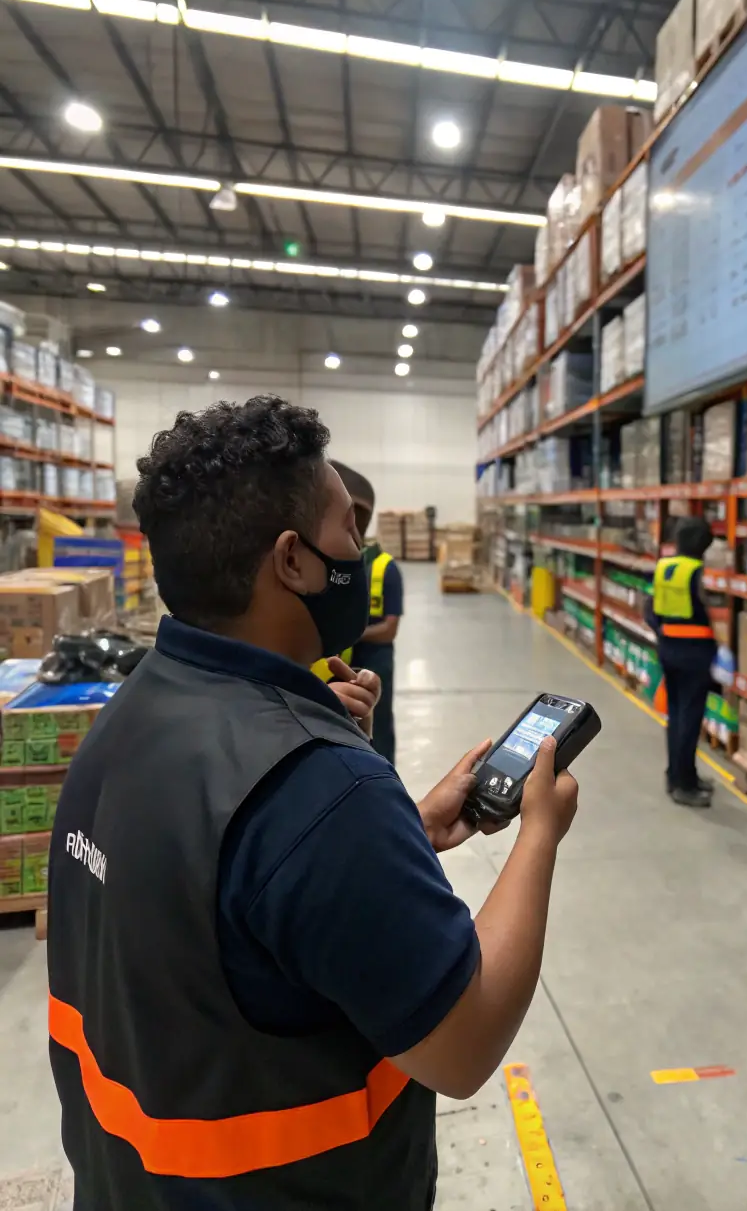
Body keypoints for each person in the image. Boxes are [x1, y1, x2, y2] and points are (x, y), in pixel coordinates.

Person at [47, 395, 578, 1211]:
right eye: (349, 531)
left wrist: (402, 832)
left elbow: (229, 906)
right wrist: (537, 832)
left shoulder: (130, 712)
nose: (361, 552)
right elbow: (465, 1043)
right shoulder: (320, 788)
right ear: (293, 560)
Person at [313, 461, 403, 765]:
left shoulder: (382, 568)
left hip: (372, 661)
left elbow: (390, 628)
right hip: (334, 662)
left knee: (376, 725)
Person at [645, 516, 717, 808]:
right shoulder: (699, 572)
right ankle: (683, 785)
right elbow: (712, 611)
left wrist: (663, 633)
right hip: (694, 653)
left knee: (676, 716)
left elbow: (648, 608)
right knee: (689, 718)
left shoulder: (664, 566)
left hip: (668, 649)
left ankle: (679, 774)